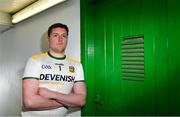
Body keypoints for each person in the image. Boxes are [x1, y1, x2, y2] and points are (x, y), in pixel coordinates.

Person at [22, 23, 86, 116]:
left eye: (64, 36)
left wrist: (52, 94)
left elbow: (81, 100)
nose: (60, 39)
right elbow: (30, 102)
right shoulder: (35, 61)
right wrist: (67, 101)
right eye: (55, 35)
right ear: (48, 39)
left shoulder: (76, 65)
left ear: (67, 39)